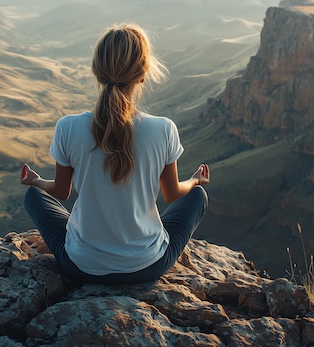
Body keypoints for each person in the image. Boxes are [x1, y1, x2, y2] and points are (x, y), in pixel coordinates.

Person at [21, 23, 209, 284]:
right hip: (147, 266)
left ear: (97, 73)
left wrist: (35, 181)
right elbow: (172, 194)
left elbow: (62, 192)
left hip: (82, 265)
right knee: (197, 196)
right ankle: (142, 242)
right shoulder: (163, 129)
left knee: (33, 196)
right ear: (142, 75)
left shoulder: (68, 127)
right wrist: (196, 180)